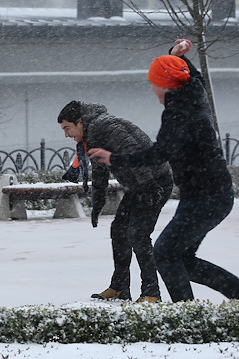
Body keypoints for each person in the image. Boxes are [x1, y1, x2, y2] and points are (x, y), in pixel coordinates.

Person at [88, 39, 239, 302]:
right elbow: (194, 77)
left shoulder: (179, 115)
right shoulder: (194, 95)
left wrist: (114, 158)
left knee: (165, 253)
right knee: (182, 259)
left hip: (206, 199)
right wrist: (176, 56)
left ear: (166, 85)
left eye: (153, 82)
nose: (151, 88)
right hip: (209, 195)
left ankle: (187, 314)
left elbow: (158, 154)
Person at [58, 101, 173, 303]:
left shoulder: (105, 126)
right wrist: (97, 205)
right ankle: (119, 287)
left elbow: (132, 150)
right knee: (118, 230)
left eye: (67, 128)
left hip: (155, 182)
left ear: (80, 122)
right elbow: (100, 173)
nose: (66, 135)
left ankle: (151, 293)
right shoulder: (92, 136)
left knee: (138, 235)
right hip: (139, 184)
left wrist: (149, 185)